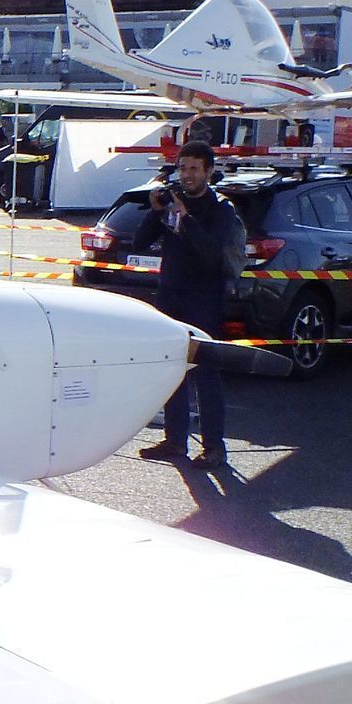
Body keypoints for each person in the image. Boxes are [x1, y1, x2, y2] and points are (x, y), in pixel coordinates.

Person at [135, 141, 241, 470]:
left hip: (203, 301)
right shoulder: (170, 204)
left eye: (194, 168)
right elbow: (139, 242)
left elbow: (211, 255)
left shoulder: (220, 208)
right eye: (182, 168)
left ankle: (214, 448)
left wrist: (186, 217)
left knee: (206, 375)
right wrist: (156, 211)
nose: (187, 175)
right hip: (171, 297)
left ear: (209, 171)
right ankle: (174, 441)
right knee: (172, 371)